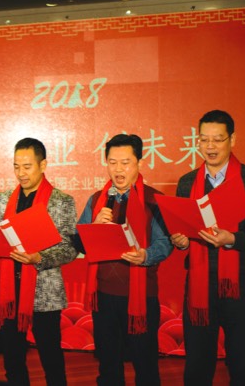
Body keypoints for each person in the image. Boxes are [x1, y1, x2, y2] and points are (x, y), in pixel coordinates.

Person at [0, 137, 78, 386]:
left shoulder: (61, 201)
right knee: (12, 359)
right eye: (16, 166)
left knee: (51, 358)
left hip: (44, 293)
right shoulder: (4, 199)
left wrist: (39, 257)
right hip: (10, 292)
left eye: (27, 166)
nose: (21, 173)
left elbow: (70, 249)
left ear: (43, 165)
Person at [170, 110, 245, 385]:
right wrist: (180, 241)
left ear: (232, 140)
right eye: (204, 139)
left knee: (241, 362)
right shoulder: (187, 182)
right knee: (197, 362)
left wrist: (231, 239)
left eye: (218, 139)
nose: (210, 146)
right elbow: (182, 229)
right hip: (200, 284)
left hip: (240, 284)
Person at [73, 134, 172, 385]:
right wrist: (94, 226)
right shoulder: (97, 200)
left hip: (140, 297)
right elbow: (78, 243)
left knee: (145, 363)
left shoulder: (153, 200)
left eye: (126, 163)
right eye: (112, 162)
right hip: (104, 297)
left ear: (139, 162)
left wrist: (145, 255)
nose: (118, 169)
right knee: (108, 364)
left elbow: (165, 243)